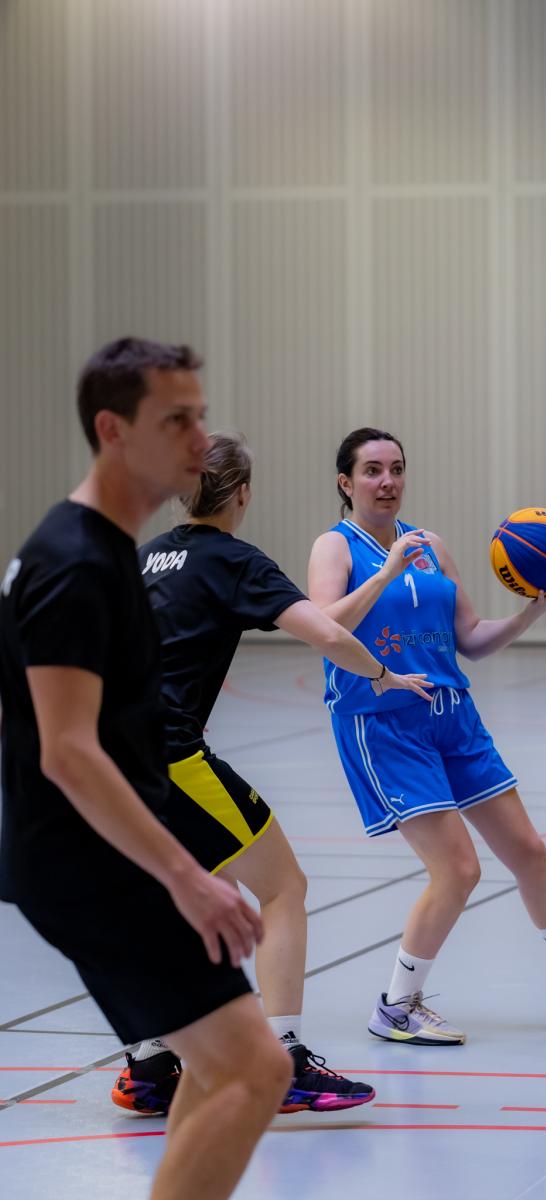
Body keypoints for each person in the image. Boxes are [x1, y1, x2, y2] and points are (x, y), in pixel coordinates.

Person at [0, 338, 293, 1200]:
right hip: (91, 867)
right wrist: (186, 876)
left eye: (200, 416)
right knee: (256, 1068)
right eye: (176, 420)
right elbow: (67, 751)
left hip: (105, 853)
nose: (200, 438)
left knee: (217, 1063)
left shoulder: (106, 549)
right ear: (112, 430)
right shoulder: (75, 563)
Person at [112, 432, 431, 1115]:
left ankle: (150, 1061)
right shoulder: (235, 560)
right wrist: (382, 675)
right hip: (169, 755)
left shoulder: (145, 557)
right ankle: (281, 1059)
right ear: (242, 494)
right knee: (284, 887)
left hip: (111, 758)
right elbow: (323, 631)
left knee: (202, 893)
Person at [307, 427, 546, 1046]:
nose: (387, 481)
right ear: (346, 482)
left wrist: (529, 613)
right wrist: (385, 574)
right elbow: (323, 628)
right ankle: (396, 1006)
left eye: (396, 468)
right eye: (372, 470)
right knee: (458, 869)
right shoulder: (334, 547)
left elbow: (469, 638)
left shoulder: (430, 545)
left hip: (453, 714)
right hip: (385, 719)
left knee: (529, 851)